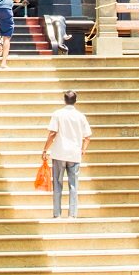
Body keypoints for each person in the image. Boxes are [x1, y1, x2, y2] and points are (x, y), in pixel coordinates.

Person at [42, 90, 93, 218]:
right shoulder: (81, 116)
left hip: (59, 153)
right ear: (75, 101)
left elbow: (53, 133)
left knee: (57, 185)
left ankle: (57, 214)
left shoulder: (58, 114)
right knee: (73, 185)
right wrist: (83, 149)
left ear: (64, 100)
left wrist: (45, 150)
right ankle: (72, 215)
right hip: (74, 154)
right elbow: (87, 136)